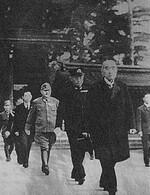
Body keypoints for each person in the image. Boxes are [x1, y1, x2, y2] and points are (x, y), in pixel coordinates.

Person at [86, 59, 135, 195]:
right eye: (107, 68)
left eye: (113, 68)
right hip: (100, 131)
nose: (110, 71)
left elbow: (128, 108)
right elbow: (88, 110)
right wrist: (88, 128)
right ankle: (112, 188)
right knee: (106, 157)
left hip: (118, 131)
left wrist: (131, 125)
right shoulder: (95, 88)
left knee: (112, 158)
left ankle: (104, 178)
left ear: (116, 71)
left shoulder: (122, 87)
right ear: (102, 71)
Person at [56, 67, 91, 185]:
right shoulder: (66, 91)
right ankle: (81, 174)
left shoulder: (88, 90)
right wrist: (58, 124)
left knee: (81, 150)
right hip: (72, 126)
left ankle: (75, 171)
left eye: (80, 77)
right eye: (76, 77)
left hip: (85, 125)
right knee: (75, 149)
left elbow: (93, 108)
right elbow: (61, 109)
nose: (78, 80)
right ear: (71, 78)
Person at [25, 82, 59, 175]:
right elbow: (31, 115)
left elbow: (59, 116)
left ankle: (45, 163)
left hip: (52, 130)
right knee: (44, 147)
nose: (46, 93)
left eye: (48, 91)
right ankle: (45, 165)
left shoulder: (55, 102)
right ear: (41, 92)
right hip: (41, 129)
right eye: (44, 91)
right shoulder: (36, 102)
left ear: (51, 91)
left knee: (48, 148)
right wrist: (27, 127)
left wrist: (59, 126)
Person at [13, 87, 33, 168]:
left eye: (29, 95)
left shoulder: (34, 107)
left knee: (28, 145)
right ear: (22, 97)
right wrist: (16, 130)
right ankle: (25, 161)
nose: (27, 97)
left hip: (31, 130)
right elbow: (16, 120)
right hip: (22, 130)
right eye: (26, 95)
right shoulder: (19, 107)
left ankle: (24, 158)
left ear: (31, 97)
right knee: (24, 144)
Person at [137, 93, 150, 167]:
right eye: (147, 98)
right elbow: (139, 120)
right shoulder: (140, 109)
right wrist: (140, 130)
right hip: (145, 131)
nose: (148, 99)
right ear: (144, 99)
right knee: (146, 147)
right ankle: (147, 162)